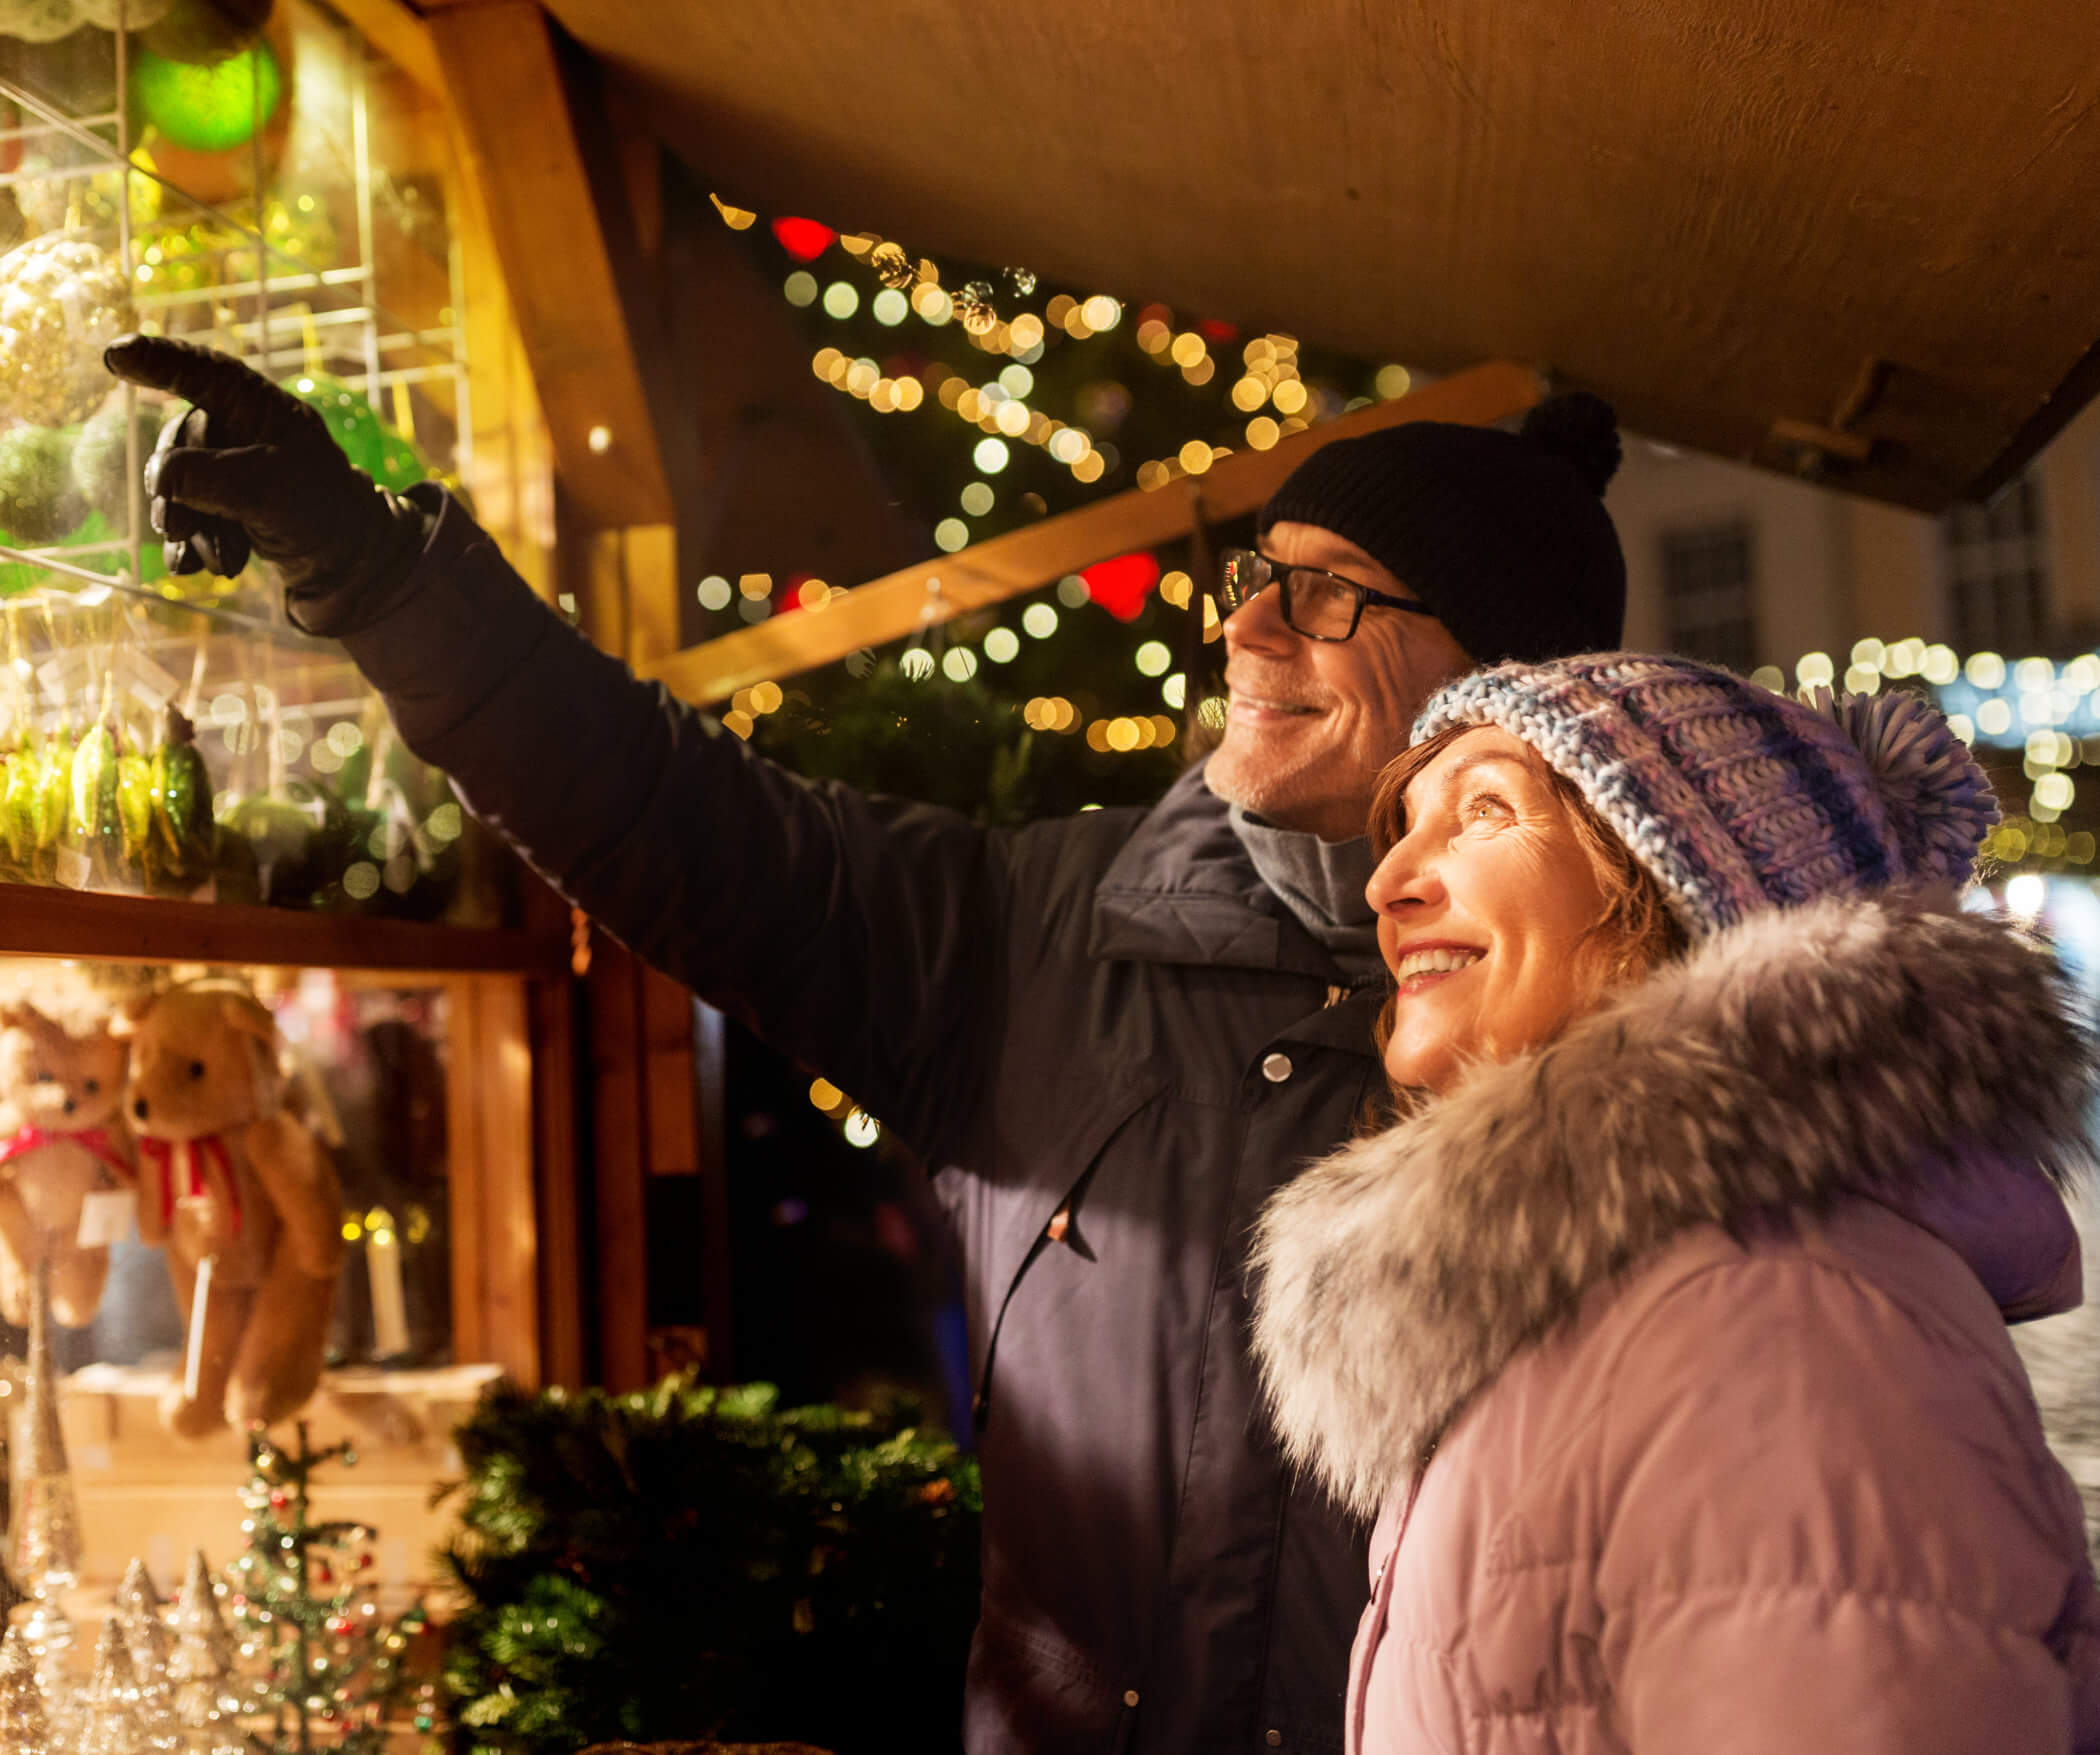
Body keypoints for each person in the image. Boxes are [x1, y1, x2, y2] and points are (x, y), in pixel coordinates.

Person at [104, 333, 1626, 1755]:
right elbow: (667, 810)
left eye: (1329, 592)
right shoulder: (1033, 936)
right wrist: (370, 567)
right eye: (1255, 575)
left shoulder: (1635, 1043)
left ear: (1504, 684)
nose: (1243, 623)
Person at [1253, 655, 2100, 1753]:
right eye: (1405, 827)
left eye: (1485, 813)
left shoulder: (1777, 1315)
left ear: (1673, 886)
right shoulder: (1593, 1295)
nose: (1388, 884)